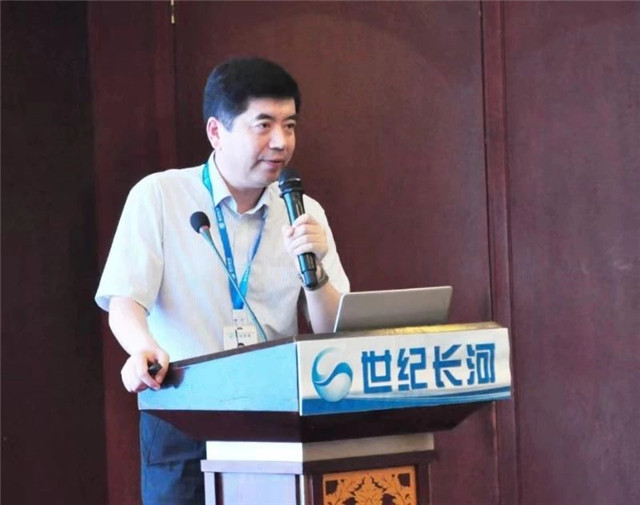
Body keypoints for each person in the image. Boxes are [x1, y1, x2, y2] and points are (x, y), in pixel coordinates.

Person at [95, 57, 350, 504]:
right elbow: (125, 302)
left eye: (290, 126)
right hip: (183, 414)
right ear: (216, 131)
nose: (281, 142)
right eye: (264, 125)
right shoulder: (160, 196)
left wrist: (315, 273)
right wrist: (142, 347)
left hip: (273, 414)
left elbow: (334, 331)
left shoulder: (304, 211)